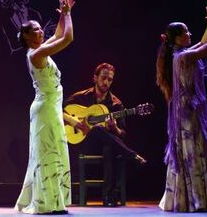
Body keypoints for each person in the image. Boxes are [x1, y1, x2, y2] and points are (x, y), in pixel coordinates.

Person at [155, 5, 207, 212]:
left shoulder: (182, 53)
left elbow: (203, 42)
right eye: (186, 32)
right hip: (187, 113)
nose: (189, 34)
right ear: (177, 39)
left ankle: (195, 199)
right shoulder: (182, 57)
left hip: (191, 112)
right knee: (191, 152)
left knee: (193, 151)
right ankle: (195, 200)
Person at [14, 0, 75, 214]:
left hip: (50, 107)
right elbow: (67, 38)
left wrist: (63, 12)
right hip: (45, 109)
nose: (42, 32)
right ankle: (45, 203)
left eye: (41, 29)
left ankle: (53, 202)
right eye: (37, 30)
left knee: (54, 153)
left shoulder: (40, 49)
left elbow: (58, 34)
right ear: (28, 37)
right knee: (47, 155)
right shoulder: (37, 54)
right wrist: (67, 15)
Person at [63, 63, 147, 207]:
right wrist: (74, 122)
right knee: (96, 129)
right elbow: (60, 110)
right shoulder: (80, 97)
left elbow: (122, 135)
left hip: (107, 145)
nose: (106, 82)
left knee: (109, 146)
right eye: (103, 78)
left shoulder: (116, 104)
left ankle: (108, 196)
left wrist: (114, 128)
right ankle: (131, 155)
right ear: (95, 78)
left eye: (110, 80)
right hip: (83, 143)